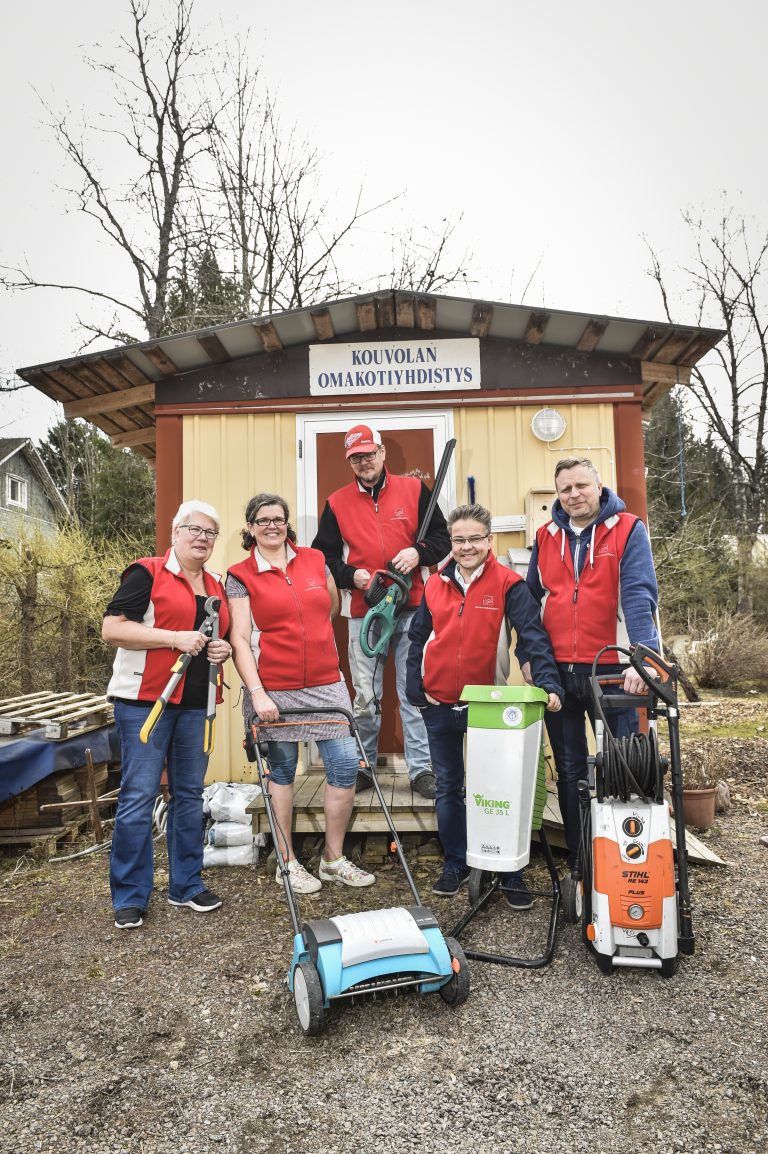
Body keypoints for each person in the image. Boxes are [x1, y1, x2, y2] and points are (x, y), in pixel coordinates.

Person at [406, 503, 563, 906]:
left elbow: (532, 637)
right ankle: (456, 863)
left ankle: (507, 870)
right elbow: (418, 637)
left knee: (497, 789)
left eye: (475, 538)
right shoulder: (436, 584)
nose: (466, 546)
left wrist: (546, 683)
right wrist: (413, 685)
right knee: (448, 789)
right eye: (459, 540)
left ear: (489, 540)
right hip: (439, 703)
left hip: (489, 706)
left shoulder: (509, 584)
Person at [228, 493, 376, 894]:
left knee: (345, 765)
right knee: (282, 770)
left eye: (278, 518)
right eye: (263, 520)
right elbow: (240, 640)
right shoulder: (239, 575)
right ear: (250, 527)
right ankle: (288, 862)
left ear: (287, 523)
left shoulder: (315, 560)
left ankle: (333, 858)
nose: (272, 525)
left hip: (327, 682)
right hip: (274, 688)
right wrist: (257, 693)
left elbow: (327, 609)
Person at [520, 457, 660, 871]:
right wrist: (528, 658)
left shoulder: (628, 530)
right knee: (569, 770)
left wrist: (643, 659)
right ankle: (583, 861)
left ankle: (623, 861)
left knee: (624, 766)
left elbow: (638, 595)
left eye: (581, 485)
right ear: (557, 495)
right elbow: (530, 604)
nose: (574, 494)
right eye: (565, 489)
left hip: (615, 672)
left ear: (599, 487)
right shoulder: (545, 536)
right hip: (559, 675)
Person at [103, 500, 232, 930]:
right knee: (139, 798)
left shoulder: (215, 585)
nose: (202, 538)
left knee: (190, 797)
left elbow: (217, 638)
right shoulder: (147, 572)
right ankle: (130, 895)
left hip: (196, 705)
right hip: (145, 702)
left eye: (210, 533)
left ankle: (186, 885)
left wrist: (222, 648)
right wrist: (174, 637)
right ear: (176, 532)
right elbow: (113, 629)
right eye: (194, 529)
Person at [312, 424, 451, 799]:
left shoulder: (414, 490)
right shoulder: (337, 502)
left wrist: (418, 553)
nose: (364, 462)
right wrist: (350, 575)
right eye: (356, 457)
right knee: (366, 697)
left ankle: (422, 770)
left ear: (382, 453)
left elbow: (442, 539)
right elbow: (320, 555)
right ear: (350, 462)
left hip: (414, 608)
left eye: (369, 454)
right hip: (366, 610)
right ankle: (362, 765)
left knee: (413, 692)